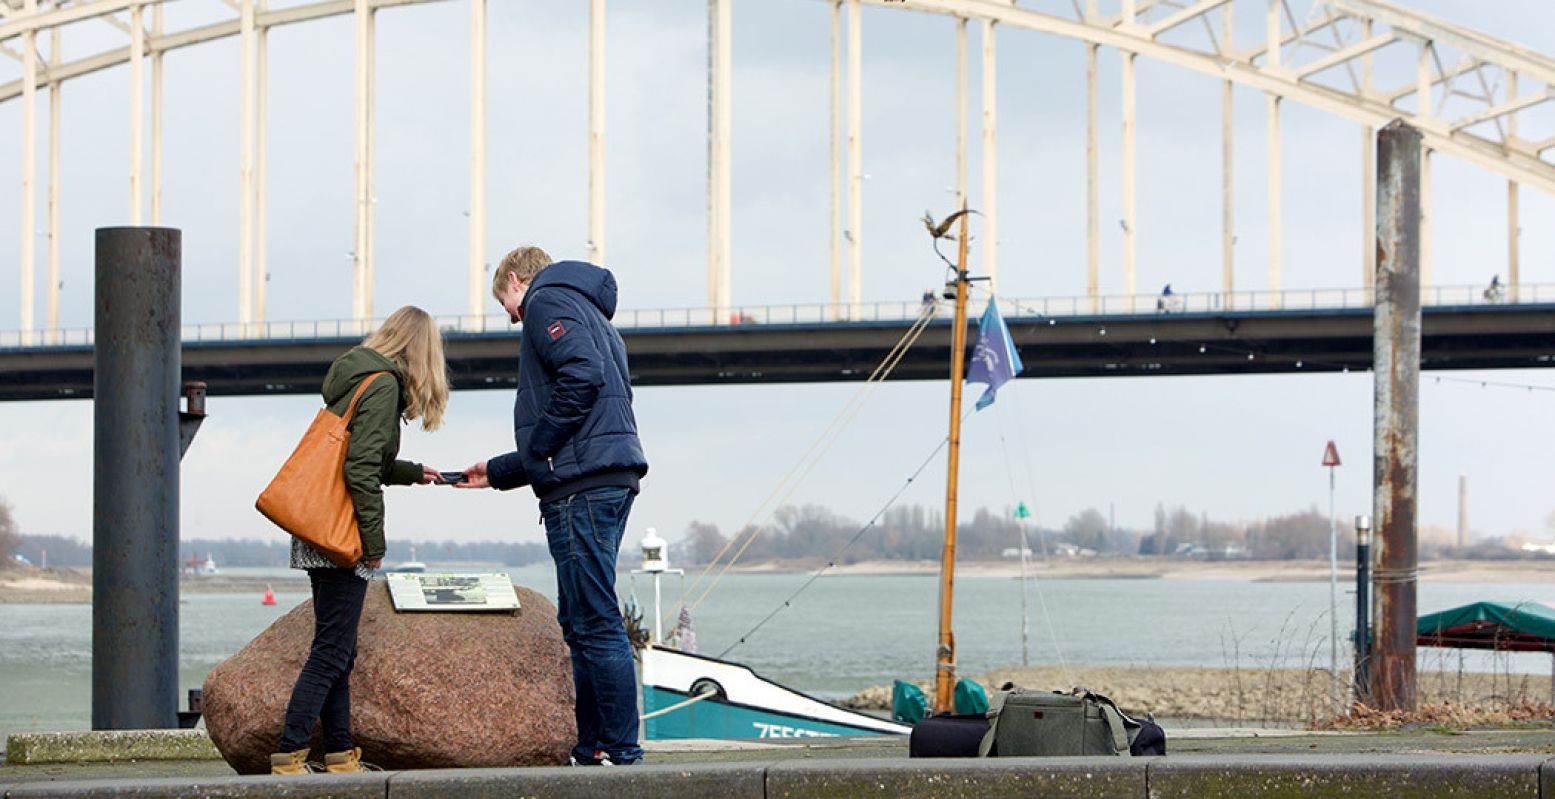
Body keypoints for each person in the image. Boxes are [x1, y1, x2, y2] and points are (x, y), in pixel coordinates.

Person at [457, 246, 649, 766]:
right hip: (606, 478)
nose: (515, 319)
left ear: (516, 281)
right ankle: (591, 748)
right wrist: (498, 471)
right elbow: (584, 422)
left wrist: (537, 446)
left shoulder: (546, 301)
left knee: (595, 621)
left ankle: (623, 752)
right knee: (583, 620)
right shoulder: (598, 320)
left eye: (507, 307)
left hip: (582, 489)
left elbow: (579, 379)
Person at [270, 306, 447, 776]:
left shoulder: (358, 377)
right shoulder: (384, 385)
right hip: (342, 533)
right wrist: (373, 543)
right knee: (331, 651)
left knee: (340, 648)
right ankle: (289, 754)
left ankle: (339, 753)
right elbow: (360, 470)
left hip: (318, 528)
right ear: (420, 351)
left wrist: (412, 472)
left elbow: (361, 456)